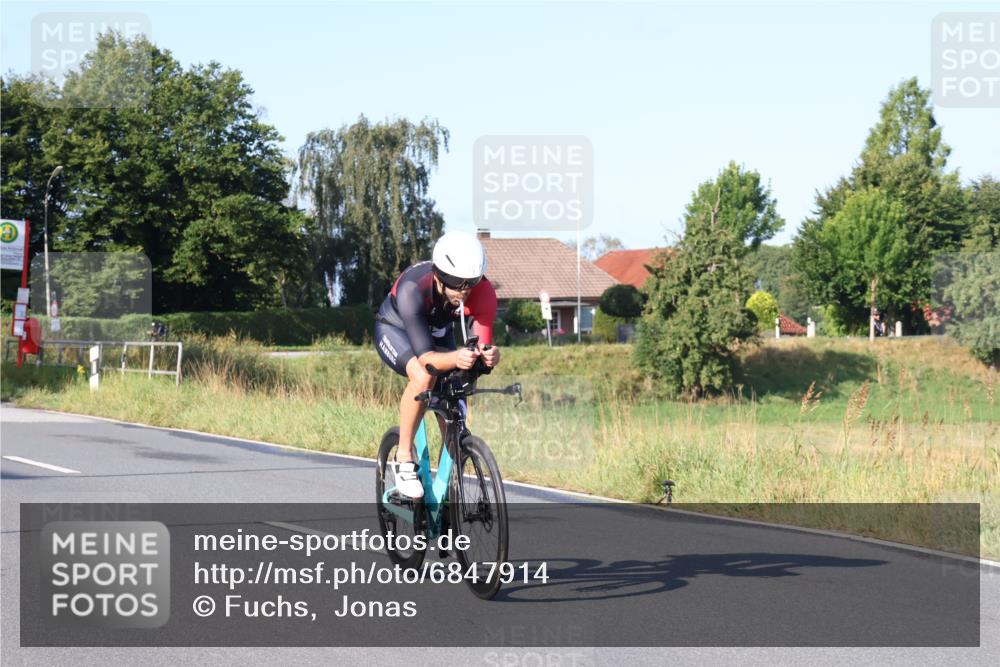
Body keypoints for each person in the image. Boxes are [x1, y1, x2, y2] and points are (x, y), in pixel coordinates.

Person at [374, 231, 501, 498]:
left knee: (458, 389)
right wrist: (455, 357)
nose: (464, 291)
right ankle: (405, 457)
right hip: (396, 330)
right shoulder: (413, 289)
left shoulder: (484, 293)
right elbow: (427, 359)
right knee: (423, 377)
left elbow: (482, 346)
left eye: (471, 284)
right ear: (439, 276)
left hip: (438, 332)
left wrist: (488, 357)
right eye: (457, 284)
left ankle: (449, 475)